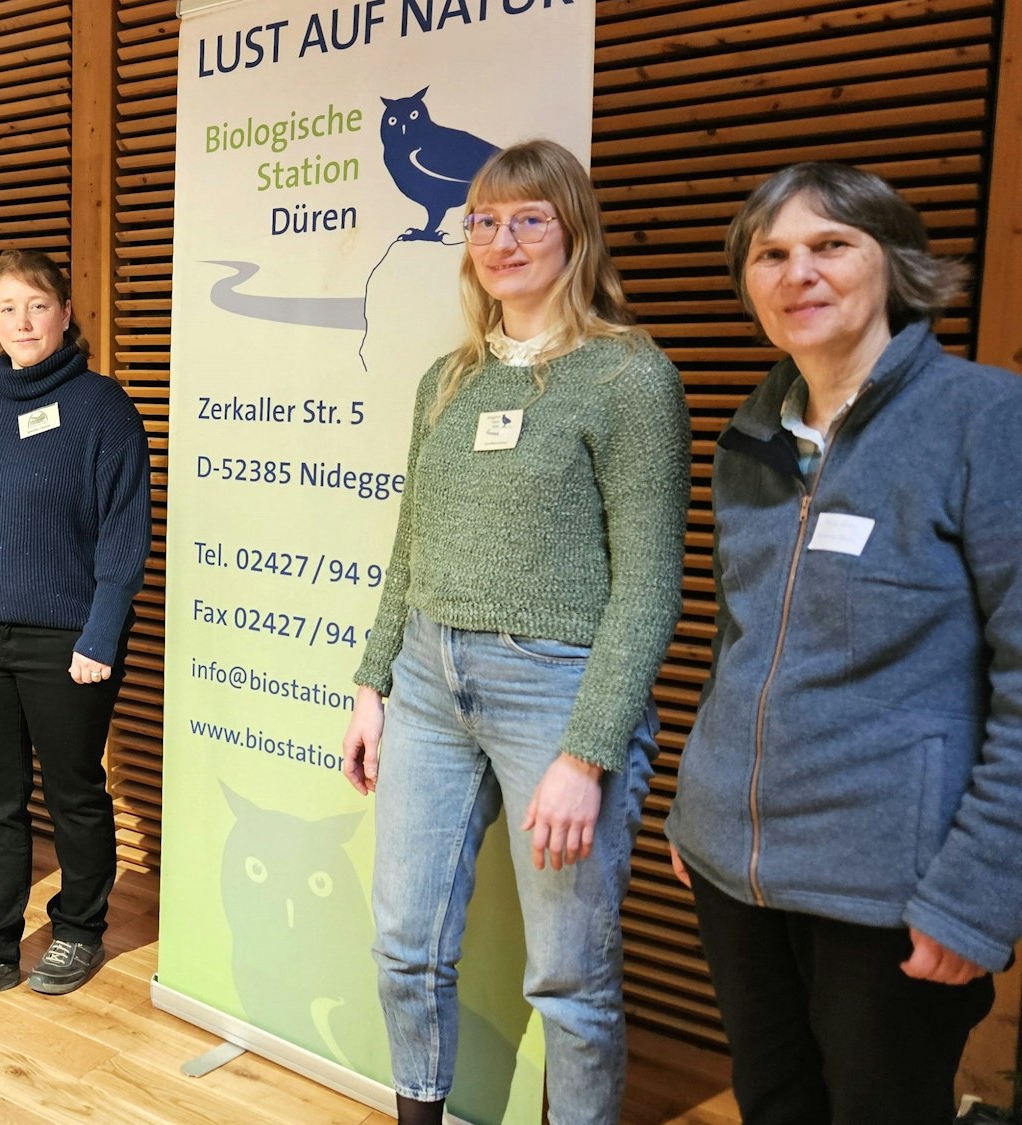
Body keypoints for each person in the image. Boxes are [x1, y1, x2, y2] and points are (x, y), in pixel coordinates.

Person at [340, 139, 689, 1125]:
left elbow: (648, 584)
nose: (502, 239)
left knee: (568, 979)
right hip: (425, 682)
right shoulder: (445, 379)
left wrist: (588, 749)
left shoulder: (627, 377)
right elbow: (409, 541)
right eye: (483, 220)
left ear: (573, 232)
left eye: (529, 217)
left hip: (558, 693)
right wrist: (372, 684)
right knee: (403, 947)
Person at [667, 163, 1022, 1125]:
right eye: (771, 254)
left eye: (831, 245)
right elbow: (739, 639)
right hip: (732, 870)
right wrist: (700, 806)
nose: (798, 273)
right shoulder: (751, 433)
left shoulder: (985, 419)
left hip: (892, 891)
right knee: (775, 1103)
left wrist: (980, 893)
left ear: (894, 265)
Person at [0, 249, 151, 1015]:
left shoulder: (102, 406)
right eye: (8, 307)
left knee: (75, 792)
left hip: (69, 639)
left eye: (37, 305)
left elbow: (124, 534)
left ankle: (79, 927)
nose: (23, 321)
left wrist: (101, 635)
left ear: (65, 314)